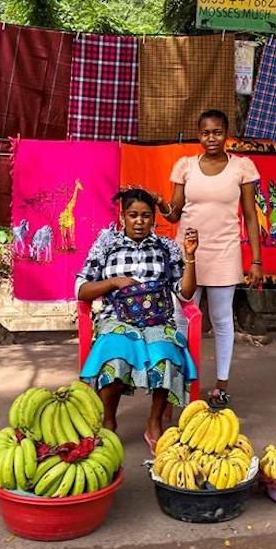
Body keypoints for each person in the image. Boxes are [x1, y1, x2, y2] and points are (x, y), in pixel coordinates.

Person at [77, 187, 199, 452]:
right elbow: (81, 288)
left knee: (166, 357)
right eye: (133, 215)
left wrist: (190, 256)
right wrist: (113, 282)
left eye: (145, 216)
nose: (139, 221)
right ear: (123, 216)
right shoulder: (106, 244)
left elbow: (185, 292)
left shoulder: (166, 248)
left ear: (154, 219)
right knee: (115, 360)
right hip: (116, 319)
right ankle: (108, 422)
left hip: (157, 321)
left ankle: (154, 423)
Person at [156, 109, 263, 407]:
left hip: (225, 251)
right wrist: (160, 204)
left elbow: (251, 217)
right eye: (206, 132)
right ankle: (178, 381)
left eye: (217, 132)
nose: (211, 138)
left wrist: (256, 260)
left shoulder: (242, 167)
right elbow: (174, 213)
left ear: (226, 134)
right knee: (181, 318)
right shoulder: (185, 166)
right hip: (188, 252)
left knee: (221, 318)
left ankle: (221, 384)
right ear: (198, 134)